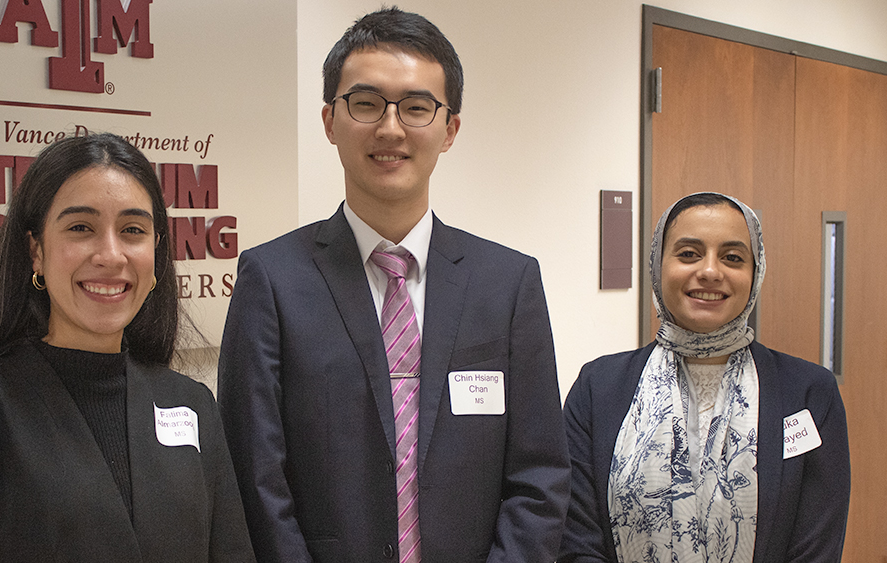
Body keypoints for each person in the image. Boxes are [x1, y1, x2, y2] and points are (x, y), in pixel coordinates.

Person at [218, 7, 569, 562]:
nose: (390, 127)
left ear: (449, 129)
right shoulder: (272, 279)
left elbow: (540, 473)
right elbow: (256, 475)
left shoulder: (508, 283)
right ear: (330, 121)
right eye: (365, 103)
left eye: (416, 107)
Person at [0, 133, 255, 562]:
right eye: (80, 228)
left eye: (132, 230)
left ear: (156, 251)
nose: (111, 255)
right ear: (35, 250)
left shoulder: (191, 403)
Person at [559, 192, 850, 563]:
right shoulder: (598, 387)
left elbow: (817, 545)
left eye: (732, 257)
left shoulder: (809, 392)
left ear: (755, 272)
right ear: (657, 265)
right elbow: (578, 538)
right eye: (688, 254)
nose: (711, 271)